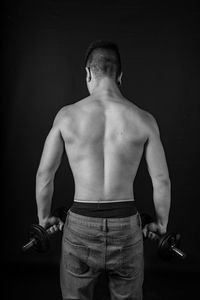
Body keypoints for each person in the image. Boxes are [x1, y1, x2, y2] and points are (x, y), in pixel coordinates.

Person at [35, 40, 171, 300]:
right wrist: (162, 224)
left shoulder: (67, 116)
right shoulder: (144, 119)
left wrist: (43, 220)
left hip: (80, 226)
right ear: (120, 76)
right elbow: (161, 180)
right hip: (126, 227)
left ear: (88, 73)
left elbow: (45, 175)